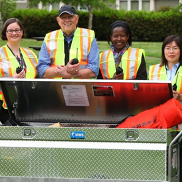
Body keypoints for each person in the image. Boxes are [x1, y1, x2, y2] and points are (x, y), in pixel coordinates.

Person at [37, 5, 99, 79]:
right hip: (55, 88)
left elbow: (94, 69)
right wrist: (59, 71)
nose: (67, 20)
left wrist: (71, 74)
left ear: (77, 19)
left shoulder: (89, 36)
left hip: (80, 87)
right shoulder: (49, 38)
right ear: (58, 20)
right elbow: (41, 70)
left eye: (70, 17)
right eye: (63, 17)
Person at [0, 18, 38, 124]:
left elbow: (38, 78)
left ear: (22, 32)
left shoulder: (31, 54)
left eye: (17, 30)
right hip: (5, 108)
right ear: (5, 33)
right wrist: (12, 79)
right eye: (10, 31)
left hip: (29, 107)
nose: (14, 33)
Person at [149, 35, 182, 101]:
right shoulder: (154, 69)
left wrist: (180, 97)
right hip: (160, 109)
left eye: (175, 48)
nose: (171, 51)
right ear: (163, 51)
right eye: (168, 48)